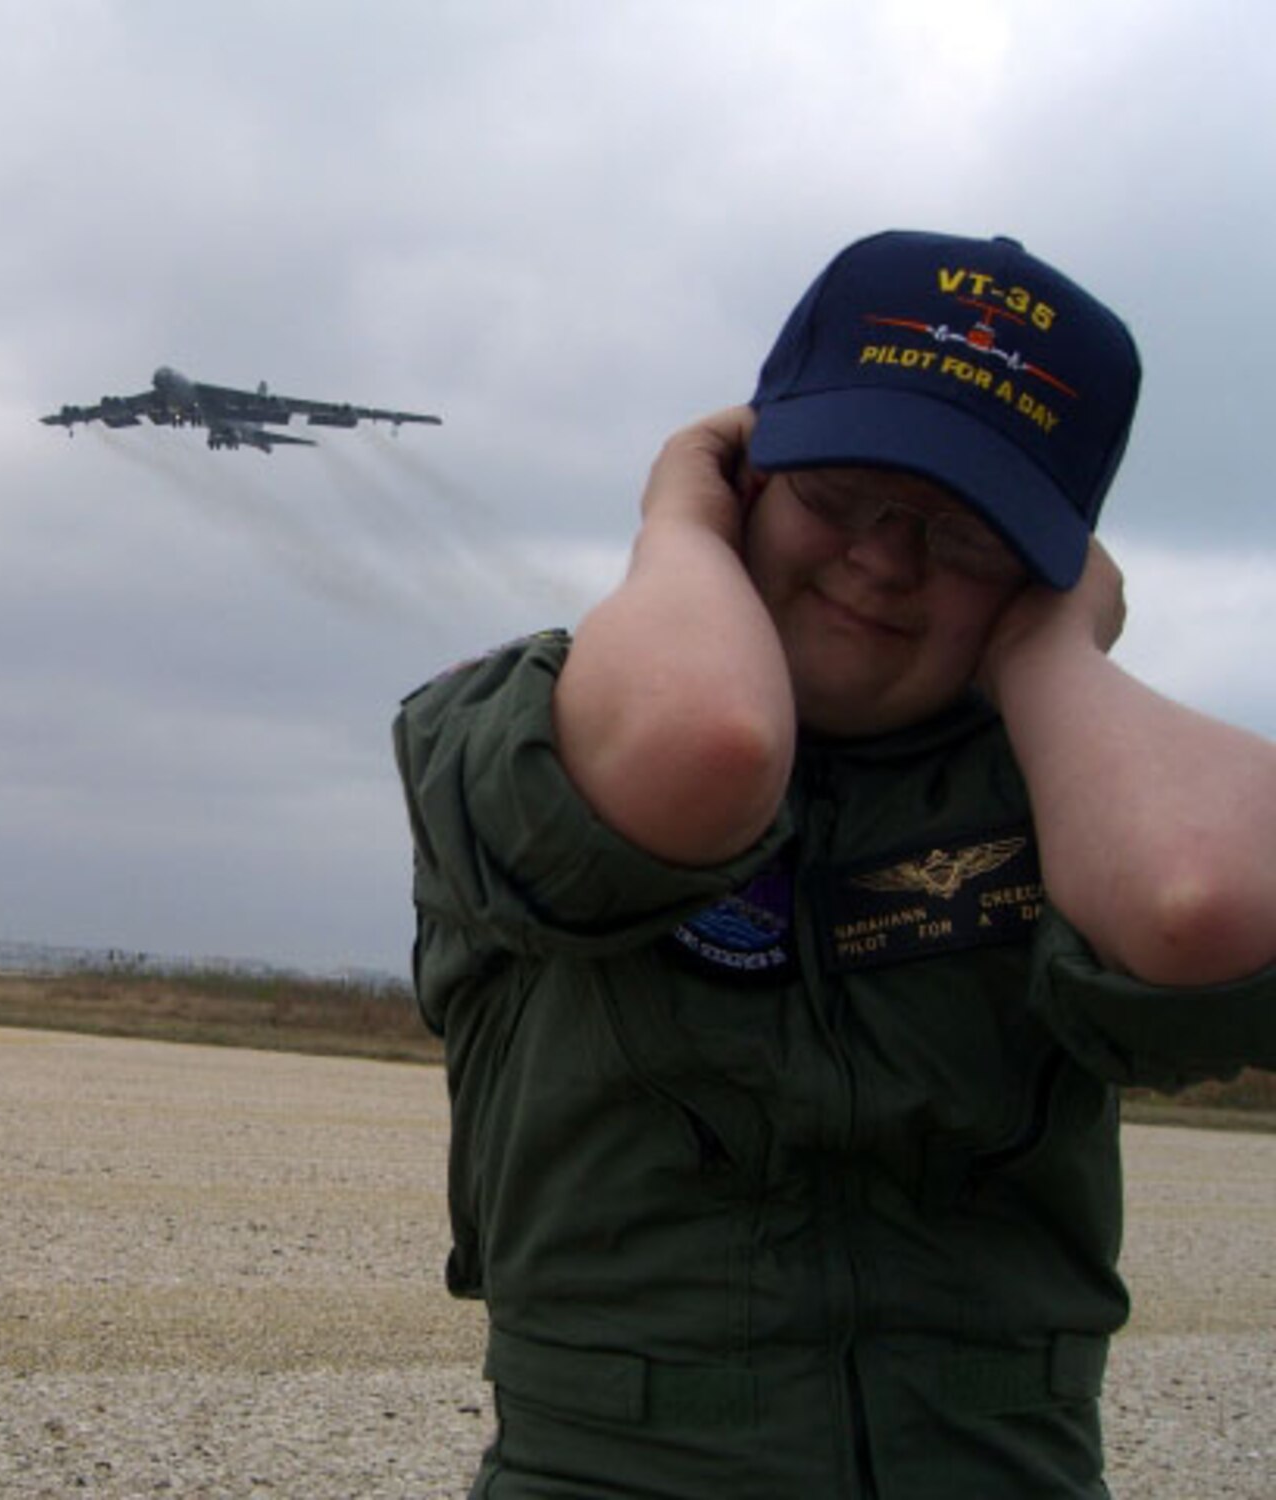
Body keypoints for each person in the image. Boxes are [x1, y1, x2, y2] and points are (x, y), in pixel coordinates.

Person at [393, 229, 1276, 1498]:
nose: (882, 556)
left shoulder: (1065, 788)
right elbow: (700, 749)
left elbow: (1205, 903)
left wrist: (1051, 654)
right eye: (836, 489)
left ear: (1045, 568)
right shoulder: (514, 720)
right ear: (751, 474)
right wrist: (678, 518)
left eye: (965, 533)